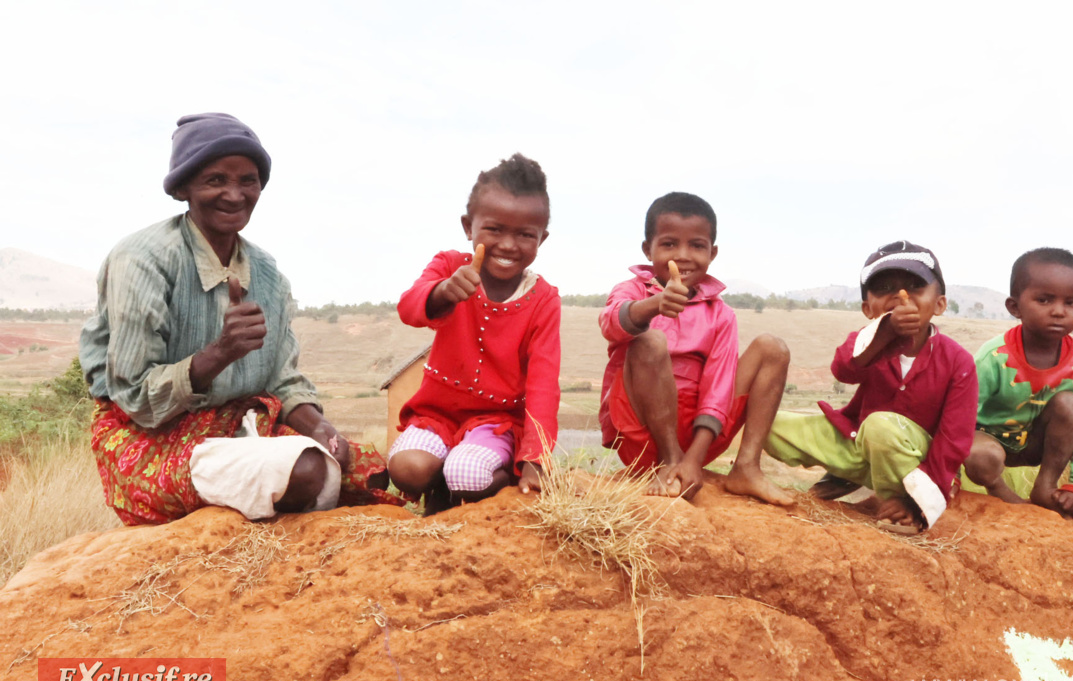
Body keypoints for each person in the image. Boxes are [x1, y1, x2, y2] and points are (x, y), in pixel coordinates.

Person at [80, 113, 395, 526]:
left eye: (248, 180)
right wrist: (221, 352)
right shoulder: (142, 261)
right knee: (306, 471)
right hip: (147, 438)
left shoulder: (266, 273)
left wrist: (320, 428)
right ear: (181, 188)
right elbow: (135, 396)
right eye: (215, 180)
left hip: (233, 427)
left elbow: (282, 381)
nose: (234, 194)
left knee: (367, 470)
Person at [764, 241, 978, 533]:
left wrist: (931, 489)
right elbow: (843, 370)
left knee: (880, 427)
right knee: (768, 423)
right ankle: (850, 474)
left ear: (939, 303)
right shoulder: (867, 343)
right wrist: (885, 333)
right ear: (868, 308)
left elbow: (954, 440)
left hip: (914, 462)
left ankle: (900, 501)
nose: (901, 296)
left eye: (915, 286)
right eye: (884, 288)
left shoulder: (958, 362)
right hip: (861, 446)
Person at [388, 154, 560, 514]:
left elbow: (543, 384)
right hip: (436, 416)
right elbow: (409, 308)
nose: (509, 245)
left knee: (466, 475)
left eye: (525, 234)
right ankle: (439, 485)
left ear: (541, 238)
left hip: (495, 424)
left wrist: (535, 458)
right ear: (469, 227)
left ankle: (483, 483)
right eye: (494, 230)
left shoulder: (543, 299)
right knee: (407, 468)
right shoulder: (450, 267)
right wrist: (442, 292)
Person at [598, 192, 794, 506]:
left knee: (773, 348)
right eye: (669, 244)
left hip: (700, 438)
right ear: (648, 249)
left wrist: (695, 459)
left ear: (712, 252)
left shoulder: (721, 314)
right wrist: (653, 305)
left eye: (697, 245)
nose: (684, 255)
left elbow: (719, 388)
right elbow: (610, 323)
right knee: (649, 340)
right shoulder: (632, 291)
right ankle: (668, 458)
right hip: (642, 430)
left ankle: (746, 467)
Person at [963, 248, 1073, 521]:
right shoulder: (994, 358)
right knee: (979, 453)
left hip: (1037, 443)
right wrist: (945, 478)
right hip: (988, 444)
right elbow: (957, 416)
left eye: (1070, 303)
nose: (1058, 311)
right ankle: (1000, 491)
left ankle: (1045, 487)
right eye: (1044, 300)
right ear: (1015, 307)